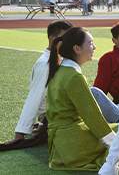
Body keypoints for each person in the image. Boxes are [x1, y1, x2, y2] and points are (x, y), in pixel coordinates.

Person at [46, 27, 119, 171]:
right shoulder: (74, 76)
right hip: (73, 142)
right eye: (90, 43)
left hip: (60, 142)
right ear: (77, 49)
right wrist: (114, 142)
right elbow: (92, 116)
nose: (94, 47)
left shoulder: (60, 71)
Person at [1, 21, 73, 151]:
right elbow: (34, 98)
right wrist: (20, 133)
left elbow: (48, 95)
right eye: (64, 38)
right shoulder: (45, 64)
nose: (69, 42)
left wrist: (40, 124)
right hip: (55, 116)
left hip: (55, 114)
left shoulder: (58, 60)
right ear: (52, 39)